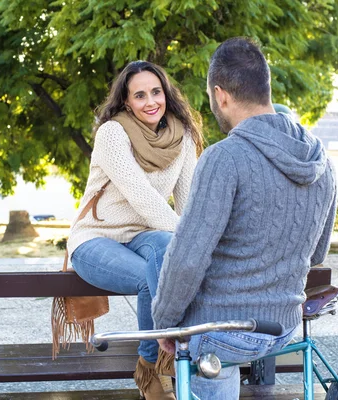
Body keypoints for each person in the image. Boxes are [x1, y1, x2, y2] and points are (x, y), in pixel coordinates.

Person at [151, 37, 337, 399]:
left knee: (204, 349)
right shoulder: (323, 162)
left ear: (220, 95)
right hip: (283, 325)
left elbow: (187, 259)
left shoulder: (224, 159)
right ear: (265, 87)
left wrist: (165, 324)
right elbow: (317, 254)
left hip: (224, 331)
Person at [66, 61, 204, 399]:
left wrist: (197, 244)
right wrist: (189, 241)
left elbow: (187, 203)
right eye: (139, 95)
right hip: (96, 238)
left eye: (155, 92)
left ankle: (156, 365)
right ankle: (158, 366)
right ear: (127, 102)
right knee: (150, 274)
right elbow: (142, 198)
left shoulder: (182, 136)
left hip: (144, 235)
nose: (150, 101)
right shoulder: (113, 133)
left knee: (166, 249)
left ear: (166, 94)